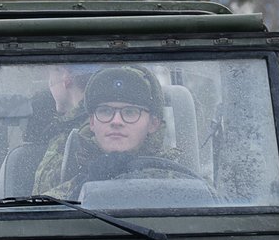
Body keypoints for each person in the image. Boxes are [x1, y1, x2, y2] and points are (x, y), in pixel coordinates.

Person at [32, 66, 189, 199]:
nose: (116, 121)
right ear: (92, 122)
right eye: (105, 111)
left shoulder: (182, 184)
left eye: (130, 112)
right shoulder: (69, 193)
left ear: (153, 123)